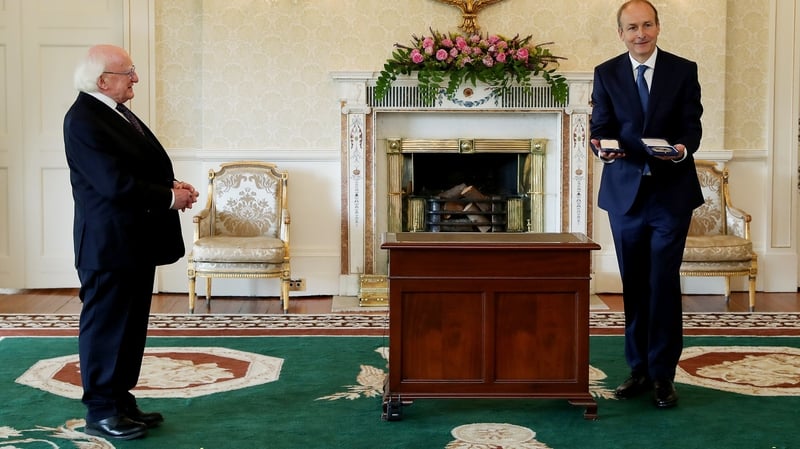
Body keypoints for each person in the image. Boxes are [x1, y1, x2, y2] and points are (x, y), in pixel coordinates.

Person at [63, 44, 199, 439]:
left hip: (132, 243)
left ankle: (121, 401)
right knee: (106, 328)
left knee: (129, 327)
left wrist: (168, 184)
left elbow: (133, 166)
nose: (135, 78)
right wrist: (168, 199)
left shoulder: (112, 112)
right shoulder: (83, 119)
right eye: (129, 72)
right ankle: (101, 410)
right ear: (103, 81)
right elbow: (112, 184)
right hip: (108, 246)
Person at [589, 0, 704, 409]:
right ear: (621, 33)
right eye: (632, 27)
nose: (641, 33)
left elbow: (693, 126)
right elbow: (600, 126)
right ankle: (637, 369)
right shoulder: (606, 73)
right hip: (625, 197)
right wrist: (602, 151)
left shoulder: (683, 69)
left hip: (670, 197)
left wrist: (681, 149)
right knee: (634, 286)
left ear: (658, 26)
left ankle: (663, 376)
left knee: (662, 284)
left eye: (648, 25)